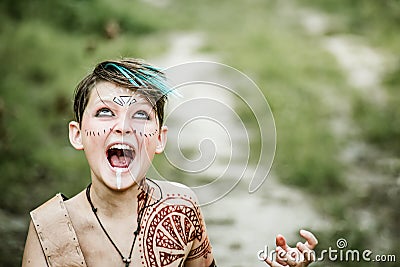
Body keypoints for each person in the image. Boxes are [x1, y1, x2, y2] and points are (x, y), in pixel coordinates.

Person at [22, 58, 317, 267]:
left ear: (160, 139)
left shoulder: (180, 209)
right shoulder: (49, 230)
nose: (123, 127)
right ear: (77, 135)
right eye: (104, 113)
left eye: (140, 115)